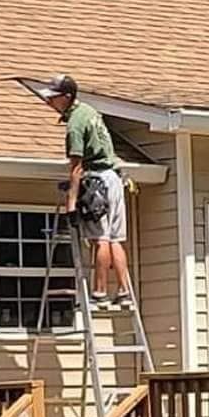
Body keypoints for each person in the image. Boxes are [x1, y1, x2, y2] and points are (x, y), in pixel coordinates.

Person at [35, 73, 132, 309]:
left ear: (67, 97)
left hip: (98, 182)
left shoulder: (75, 124)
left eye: (53, 98)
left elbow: (76, 168)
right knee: (116, 239)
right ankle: (124, 290)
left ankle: (99, 293)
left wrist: (71, 203)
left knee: (100, 239)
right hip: (115, 178)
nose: (49, 103)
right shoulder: (89, 111)